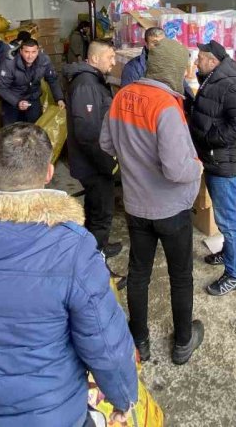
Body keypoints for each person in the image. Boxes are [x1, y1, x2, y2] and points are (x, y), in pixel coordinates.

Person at [0, 123, 138, 427]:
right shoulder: (70, 248)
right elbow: (103, 339)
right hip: (48, 413)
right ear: (48, 174)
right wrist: (123, 396)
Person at [100, 38, 205, 365]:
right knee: (180, 276)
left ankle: (140, 341)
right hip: (171, 210)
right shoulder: (165, 106)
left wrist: (133, 160)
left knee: (139, 273)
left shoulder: (121, 96)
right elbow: (176, 169)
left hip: (135, 205)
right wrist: (197, 167)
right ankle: (183, 342)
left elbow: (106, 143)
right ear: (173, 68)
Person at [187, 40, 236, 296]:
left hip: (225, 164)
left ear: (213, 62)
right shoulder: (212, 79)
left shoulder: (230, 85)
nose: (196, 62)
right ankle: (228, 254)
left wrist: (210, 138)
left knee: (228, 222)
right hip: (216, 161)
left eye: (200, 58)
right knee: (224, 218)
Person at [65, 40, 122, 258]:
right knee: (101, 214)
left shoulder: (93, 81)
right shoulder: (86, 84)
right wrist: (108, 164)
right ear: (95, 58)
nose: (114, 62)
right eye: (110, 57)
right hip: (94, 164)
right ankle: (97, 264)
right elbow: (88, 133)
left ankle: (98, 246)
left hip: (93, 163)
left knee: (93, 206)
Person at [0, 37, 65, 126]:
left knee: (35, 129)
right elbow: (1, 87)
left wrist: (59, 98)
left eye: (33, 52)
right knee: (12, 131)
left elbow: (53, 79)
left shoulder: (44, 61)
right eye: (26, 52)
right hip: (12, 100)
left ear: (38, 51)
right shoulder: (9, 63)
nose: (30, 56)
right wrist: (17, 102)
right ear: (20, 51)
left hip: (33, 97)